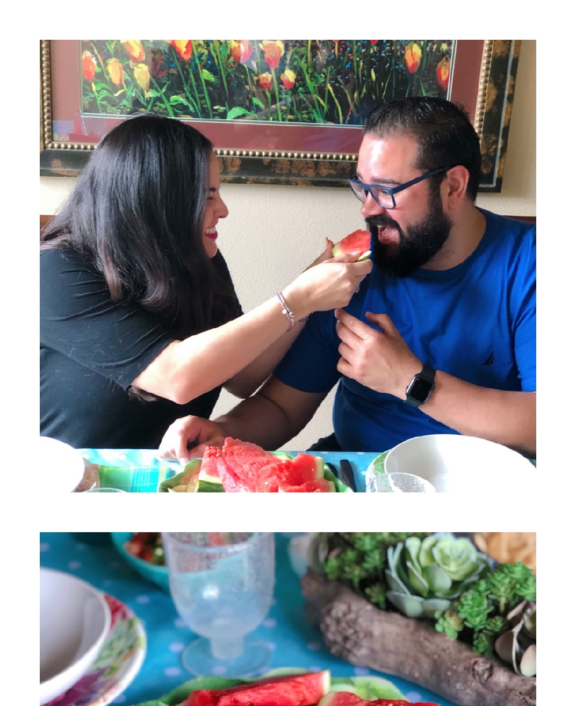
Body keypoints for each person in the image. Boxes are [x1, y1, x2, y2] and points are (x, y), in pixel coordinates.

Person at [159, 97, 536, 462]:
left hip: (484, 486)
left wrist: (409, 380)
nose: (366, 209)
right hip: (355, 469)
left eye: (386, 191)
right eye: (362, 187)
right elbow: (281, 407)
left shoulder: (532, 266)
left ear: (453, 186)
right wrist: (219, 434)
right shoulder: (355, 270)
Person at [41, 115, 370, 448]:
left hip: (171, 477)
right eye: (208, 195)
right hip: (72, 482)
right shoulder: (54, 272)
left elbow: (243, 376)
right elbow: (176, 377)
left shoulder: (198, 259)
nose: (223, 209)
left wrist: (309, 291)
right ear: (156, 198)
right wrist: (298, 298)